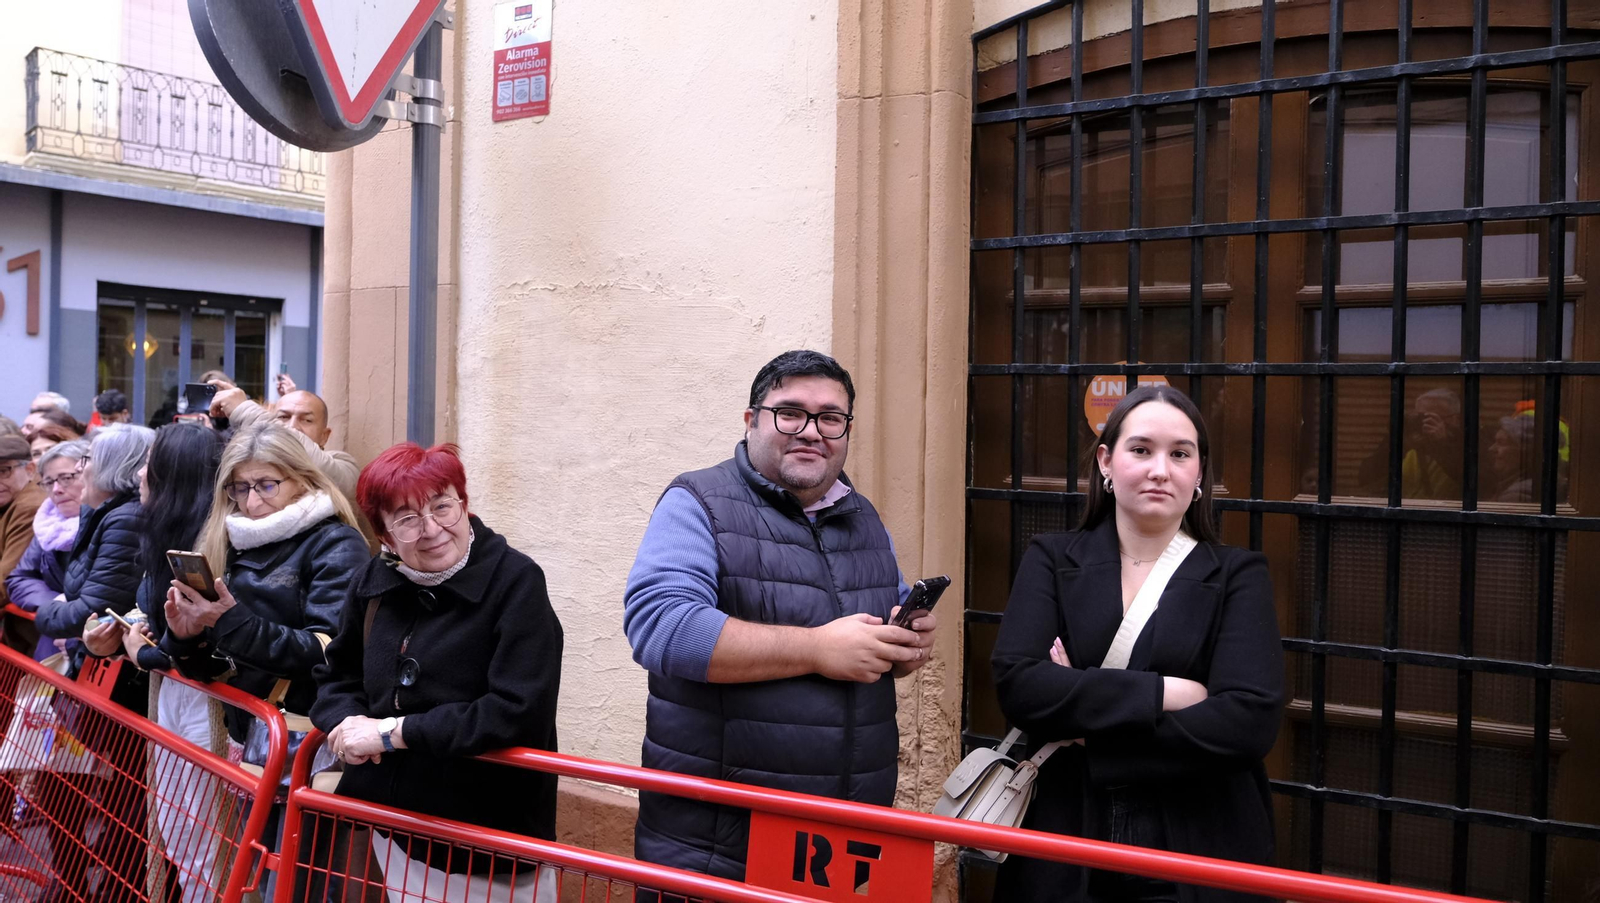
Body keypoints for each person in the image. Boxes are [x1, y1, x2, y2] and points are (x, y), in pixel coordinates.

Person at [623, 349, 937, 880]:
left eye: (831, 418)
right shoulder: (697, 500)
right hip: (720, 848)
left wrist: (905, 645)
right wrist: (818, 649)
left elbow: (878, 636)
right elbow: (662, 629)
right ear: (752, 421)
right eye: (790, 412)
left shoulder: (863, 516)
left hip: (840, 843)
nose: (812, 431)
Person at [989, 385, 1285, 903]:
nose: (1160, 470)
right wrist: (1169, 692)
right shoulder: (1052, 560)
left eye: (1180, 454)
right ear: (1106, 461)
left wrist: (1086, 715)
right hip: (1065, 837)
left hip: (1199, 846)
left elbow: (1248, 722)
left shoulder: (1239, 575)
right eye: (1141, 449)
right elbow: (1021, 687)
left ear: (1199, 474)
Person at [311, 442, 563, 894]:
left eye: (443, 506)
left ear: (463, 505)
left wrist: (394, 732)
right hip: (396, 823)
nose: (432, 529)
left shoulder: (516, 582)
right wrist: (345, 720)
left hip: (484, 835)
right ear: (385, 536)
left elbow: (516, 711)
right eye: (407, 519)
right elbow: (337, 675)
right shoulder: (375, 583)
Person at [160, 422, 368, 752]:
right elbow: (214, 670)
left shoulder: (336, 542)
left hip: (301, 735)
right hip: (245, 732)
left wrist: (229, 621)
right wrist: (187, 637)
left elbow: (328, 652)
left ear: (302, 478)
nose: (252, 501)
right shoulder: (228, 537)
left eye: (266, 485)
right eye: (240, 488)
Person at [5, 439, 89, 660]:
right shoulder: (49, 523)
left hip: (96, 651)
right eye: (49, 482)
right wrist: (56, 604)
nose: (57, 490)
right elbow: (19, 578)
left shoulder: (111, 521)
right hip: (55, 640)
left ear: (91, 472)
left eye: (67, 478)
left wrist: (68, 614)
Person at [209, 382, 359, 501]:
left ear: (324, 436)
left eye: (307, 420)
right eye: (283, 418)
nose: (293, 426)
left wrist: (244, 409)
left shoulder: (343, 465)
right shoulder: (249, 464)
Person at [0, 435, 46, 610]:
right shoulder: (11, 498)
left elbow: (6, 580)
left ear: (30, 469)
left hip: (26, 630)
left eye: (3, 471)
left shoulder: (29, 507)